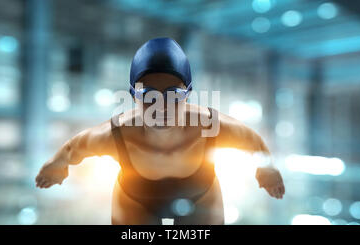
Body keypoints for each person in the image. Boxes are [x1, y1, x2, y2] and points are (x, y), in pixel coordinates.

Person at [35, 37, 285, 225]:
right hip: (136, 199)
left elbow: (253, 141)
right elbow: (74, 148)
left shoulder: (210, 126)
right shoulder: (117, 134)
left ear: (188, 94)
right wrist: (56, 165)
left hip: (201, 195)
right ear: (133, 95)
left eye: (173, 94)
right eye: (148, 94)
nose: (161, 105)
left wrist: (266, 168)